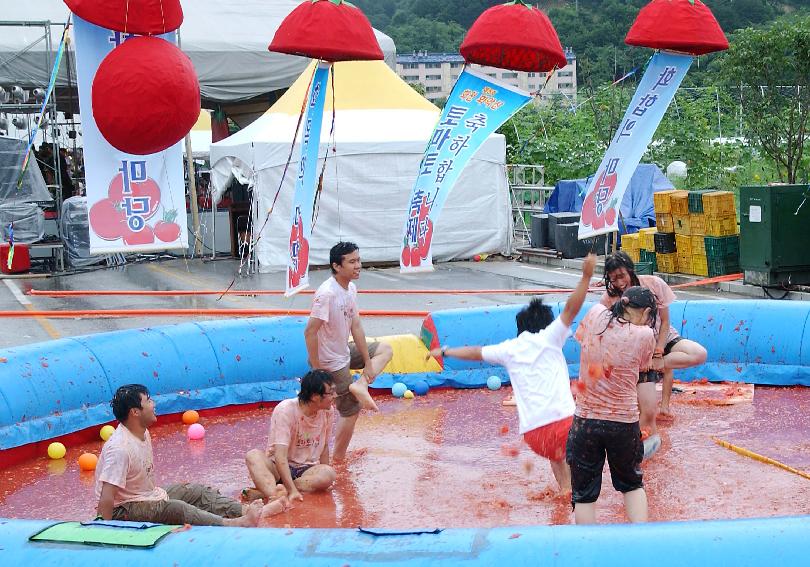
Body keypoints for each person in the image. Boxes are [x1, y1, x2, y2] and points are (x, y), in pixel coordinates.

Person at [428, 254, 597, 493]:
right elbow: (571, 308)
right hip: (565, 427)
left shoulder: (508, 349)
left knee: (557, 455)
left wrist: (445, 350)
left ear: (520, 329)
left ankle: (564, 490)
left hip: (535, 437)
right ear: (548, 324)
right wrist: (586, 276)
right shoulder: (550, 337)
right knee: (595, 437)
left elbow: (475, 352)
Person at [95, 384, 284, 526]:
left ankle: (244, 511)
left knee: (194, 491)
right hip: (123, 509)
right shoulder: (120, 448)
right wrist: (109, 532)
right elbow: (106, 499)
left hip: (146, 496)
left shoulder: (141, 431)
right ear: (135, 412)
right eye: (148, 401)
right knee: (176, 508)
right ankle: (234, 523)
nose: (153, 404)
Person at [600, 251, 707, 458]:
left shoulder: (654, 285)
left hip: (660, 342)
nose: (619, 282)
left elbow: (665, 322)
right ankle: (638, 453)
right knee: (645, 412)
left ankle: (641, 449)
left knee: (698, 354)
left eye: (622, 276)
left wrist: (658, 353)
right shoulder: (609, 300)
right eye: (614, 279)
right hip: (636, 354)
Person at [568, 286, 658, 524]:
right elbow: (643, 368)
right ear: (647, 312)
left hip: (585, 421)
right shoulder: (645, 335)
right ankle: (642, 545)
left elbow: (582, 340)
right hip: (623, 423)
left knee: (584, 494)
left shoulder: (594, 313)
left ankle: (586, 552)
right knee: (632, 484)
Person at [304, 242, 393, 461]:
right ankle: (339, 457)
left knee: (385, 350)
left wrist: (368, 364)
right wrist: (317, 370)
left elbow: (357, 327)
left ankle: (360, 385)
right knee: (350, 409)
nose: (358, 266)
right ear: (336, 265)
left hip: (343, 351)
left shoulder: (350, 288)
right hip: (330, 362)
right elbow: (310, 332)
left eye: (358, 260)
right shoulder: (327, 294)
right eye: (352, 262)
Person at [245, 370, 339, 503]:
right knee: (253, 455)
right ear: (315, 397)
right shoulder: (286, 410)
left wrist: (327, 481)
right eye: (331, 392)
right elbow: (280, 456)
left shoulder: (328, 412)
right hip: (277, 467)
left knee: (329, 474)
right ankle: (276, 496)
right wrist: (293, 491)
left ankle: (274, 491)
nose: (335, 395)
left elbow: (324, 446)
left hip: (306, 470)